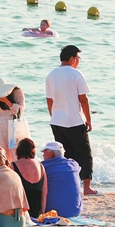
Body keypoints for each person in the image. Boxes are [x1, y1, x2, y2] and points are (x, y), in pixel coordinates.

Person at [45, 45, 95, 195]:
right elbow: (84, 100)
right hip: (74, 121)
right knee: (84, 154)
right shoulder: (76, 74)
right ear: (73, 58)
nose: (78, 61)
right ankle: (86, 188)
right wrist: (89, 119)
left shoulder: (51, 75)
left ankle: (68, 187)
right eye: (78, 58)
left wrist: (53, 115)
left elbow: (49, 100)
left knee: (65, 156)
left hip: (57, 121)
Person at [0, 78, 25, 158]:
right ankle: (4, 170)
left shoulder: (17, 92)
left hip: (13, 125)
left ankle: (16, 169)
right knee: (1, 152)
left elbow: (20, 111)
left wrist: (6, 101)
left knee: (16, 152)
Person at [41, 141, 83, 217]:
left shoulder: (44, 166)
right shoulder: (73, 164)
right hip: (75, 211)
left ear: (51, 154)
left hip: (53, 211)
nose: (43, 155)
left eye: (44, 152)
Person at [11, 138, 46, 217]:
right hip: (37, 209)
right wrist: (42, 212)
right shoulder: (41, 166)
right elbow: (44, 191)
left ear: (18, 150)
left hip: (23, 209)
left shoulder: (13, 165)